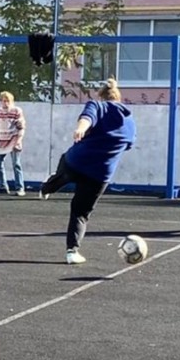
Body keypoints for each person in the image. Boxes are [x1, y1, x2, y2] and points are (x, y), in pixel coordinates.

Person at [40, 78, 136, 264]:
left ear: (102, 96)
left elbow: (87, 118)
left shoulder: (97, 105)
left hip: (77, 161)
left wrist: (80, 130)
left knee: (63, 175)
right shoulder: (130, 121)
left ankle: (47, 187)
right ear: (118, 98)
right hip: (100, 174)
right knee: (80, 212)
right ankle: (72, 252)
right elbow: (128, 145)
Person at [0, 91, 26, 196]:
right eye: (3, 101)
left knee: (16, 164)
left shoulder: (16, 111)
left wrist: (18, 140)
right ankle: (2, 186)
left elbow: (21, 128)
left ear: (11, 101)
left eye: (7, 101)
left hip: (13, 140)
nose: (5, 103)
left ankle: (20, 188)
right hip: (2, 140)